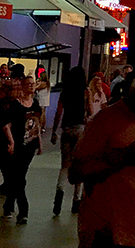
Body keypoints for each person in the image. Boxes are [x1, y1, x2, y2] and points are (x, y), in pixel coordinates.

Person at [71, 61, 135, 248]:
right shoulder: (104, 120)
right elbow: (76, 172)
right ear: (129, 83)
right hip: (107, 233)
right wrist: (124, 157)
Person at [2, 74, 43, 223]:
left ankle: (10, 206)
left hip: (29, 146)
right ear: (23, 86)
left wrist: (39, 143)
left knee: (19, 177)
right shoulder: (15, 105)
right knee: (18, 178)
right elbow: (7, 125)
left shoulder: (36, 104)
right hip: (17, 145)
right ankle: (20, 209)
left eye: (33, 84)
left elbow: (37, 125)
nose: (31, 86)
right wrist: (11, 142)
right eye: (28, 84)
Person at [51, 65, 87, 215]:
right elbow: (90, 112)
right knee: (79, 165)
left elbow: (59, 111)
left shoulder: (65, 92)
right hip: (80, 130)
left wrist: (54, 130)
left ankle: (58, 198)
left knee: (64, 165)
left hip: (67, 129)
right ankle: (76, 201)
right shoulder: (85, 92)